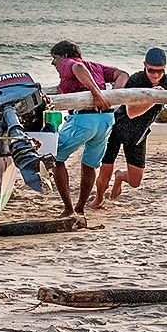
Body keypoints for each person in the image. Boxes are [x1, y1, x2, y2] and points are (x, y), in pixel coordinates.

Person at [91, 47, 167, 208]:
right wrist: (154, 97)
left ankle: (120, 177)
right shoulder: (136, 80)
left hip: (138, 134)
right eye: (151, 70)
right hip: (117, 128)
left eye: (160, 71)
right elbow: (131, 112)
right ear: (144, 65)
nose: (155, 75)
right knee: (106, 169)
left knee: (135, 182)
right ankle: (99, 198)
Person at [49, 40, 128, 215]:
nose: (53, 63)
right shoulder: (95, 66)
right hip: (106, 120)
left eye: (54, 58)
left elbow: (77, 68)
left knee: (55, 158)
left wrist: (97, 93)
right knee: (89, 164)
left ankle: (69, 209)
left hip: (84, 119)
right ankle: (80, 208)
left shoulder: (69, 63)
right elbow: (123, 74)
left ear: (64, 56)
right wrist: (113, 96)